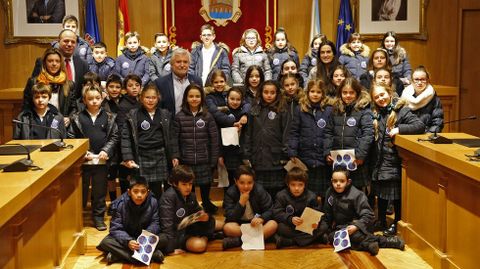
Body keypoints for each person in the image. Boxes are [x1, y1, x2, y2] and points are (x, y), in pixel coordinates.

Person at [370, 84, 424, 236]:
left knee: (395, 196)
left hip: (394, 161)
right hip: (380, 162)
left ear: (389, 92)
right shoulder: (376, 113)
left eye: (382, 94)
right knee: (380, 194)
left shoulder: (401, 110)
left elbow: (419, 125)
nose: (381, 98)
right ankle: (381, 220)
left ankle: (397, 223)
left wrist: (399, 129)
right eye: (377, 97)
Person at [319, 166, 405, 256]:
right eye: (335, 181)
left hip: (359, 228)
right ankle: (368, 245)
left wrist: (356, 226)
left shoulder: (357, 195)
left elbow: (368, 215)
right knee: (332, 237)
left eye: (342, 181)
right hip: (342, 228)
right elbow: (327, 214)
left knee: (354, 236)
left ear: (348, 182)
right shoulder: (330, 192)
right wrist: (322, 228)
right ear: (331, 181)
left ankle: (386, 241)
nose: (338, 184)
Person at [68, 84, 119, 231]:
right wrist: (83, 152)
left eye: (97, 98)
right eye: (90, 99)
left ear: (102, 98)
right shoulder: (77, 118)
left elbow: (114, 137)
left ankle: (98, 218)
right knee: (81, 191)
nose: (94, 101)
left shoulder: (109, 117)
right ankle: (78, 217)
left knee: (99, 191)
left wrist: (106, 150)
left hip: (102, 161)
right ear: (84, 100)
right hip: (84, 161)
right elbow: (71, 137)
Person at [121, 83, 175, 199]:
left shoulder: (165, 114)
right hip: (141, 155)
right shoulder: (133, 115)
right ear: (141, 98)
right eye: (147, 97)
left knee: (157, 188)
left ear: (158, 98)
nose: (150, 100)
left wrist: (175, 155)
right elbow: (125, 138)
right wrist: (128, 157)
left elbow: (172, 137)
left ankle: (157, 212)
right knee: (142, 187)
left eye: (153, 97)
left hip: (160, 155)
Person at [97, 176, 167, 264]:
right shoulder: (120, 204)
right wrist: (128, 241)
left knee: (164, 238)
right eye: (135, 191)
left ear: (148, 192)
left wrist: (145, 237)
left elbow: (155, 223)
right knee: (106, 242)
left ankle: (117, 255)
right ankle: (151, 255)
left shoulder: (153, 202)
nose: (139, 195)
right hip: (127, 237)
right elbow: (115, 228)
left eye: (143, 192)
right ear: (129, 192)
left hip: (145, 238)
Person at [172, 84, 220, 214]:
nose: (194, 99)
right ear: (186, 98)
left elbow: (214, 140)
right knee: (189, 188)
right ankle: (191, 208)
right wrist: (176, 155)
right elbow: (174, 139)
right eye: (191, 96)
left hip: (204, 159)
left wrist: (213, 159)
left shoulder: (208, 116)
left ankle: (206, 203)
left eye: (197, 96)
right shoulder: (179, 117)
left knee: (205, 186)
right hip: (186, 161)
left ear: (202, 98)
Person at [158, 165, 222, 254]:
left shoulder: (191, 195)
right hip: (178, 235)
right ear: (175, 184)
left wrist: (206, 217)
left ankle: (210, 234)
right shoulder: (168, 198)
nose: (188, 187)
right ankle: (208, 236)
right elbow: (167, 226)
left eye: (190, 184)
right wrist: (170, 250)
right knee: (199, 246)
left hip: (191, 228)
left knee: (223, 225)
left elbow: (199, 213)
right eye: (184, 184)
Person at [324, 77, 374, 190]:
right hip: (338, 161)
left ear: (357, 93)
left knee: (356, 193)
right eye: (344, 92)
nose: (348, 95)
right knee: (338, 191)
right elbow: (328, 132)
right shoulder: (335, 110)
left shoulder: (363, 111)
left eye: (351, 93)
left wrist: (360, 155)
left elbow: (368, 134)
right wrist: (327, 152)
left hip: (356, 161)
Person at [243, 80, 289, 199]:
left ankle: (276, 213)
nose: (269, 95)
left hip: (276, 158)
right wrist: (247, 154)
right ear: (261, 93)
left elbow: (286, 133)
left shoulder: (282, 109)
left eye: (272, 92)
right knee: (259, 191)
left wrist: (285, 154)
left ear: (277, 94)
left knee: (276, 190)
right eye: (266, 92)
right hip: (258, 156)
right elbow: (248, 133)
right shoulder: (254, 109)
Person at [288, 79, 332, 199]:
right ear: (308, 92)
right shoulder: (300, 109)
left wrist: (328, 151)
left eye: (319, 92)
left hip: (323, 158)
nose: (315, 94)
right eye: (312, 91)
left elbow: (331, 133)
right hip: (305, 158)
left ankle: (324, 214)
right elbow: (294, 132)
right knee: (308, 192)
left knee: (324, 192)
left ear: (323, 94)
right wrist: (292, 150)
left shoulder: (329, 110)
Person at [222, 165, 278, 249]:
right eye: (242, 183)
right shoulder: (230, 193)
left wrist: (261, 218)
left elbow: (270, 210)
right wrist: (241, 203)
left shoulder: (259, 190)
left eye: (249, 183)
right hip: (240, 225)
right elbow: (230, 217)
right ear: (236, 181)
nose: (246, 186)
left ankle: (238, 241)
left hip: (256, 224)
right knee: (227, 228)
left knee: (273, 224)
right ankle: (260, 239)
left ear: (253, 182)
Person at [272, 167, 326, 248]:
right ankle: (315, 239)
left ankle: (291, 241)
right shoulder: (281, 195)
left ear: (305, 184)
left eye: (300, 185)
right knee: (280, 227)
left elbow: (318, 213)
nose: (296, 188)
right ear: (288, 184)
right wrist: (290, 219)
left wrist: (315, 222)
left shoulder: (311, 196)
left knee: (324, 226)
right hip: (291, 226)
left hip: (307, 227)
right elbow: (276, 213)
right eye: (293, 185)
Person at [23, 47, 76, 127]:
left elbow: (74, 108)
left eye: (57, 61)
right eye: (50, 61)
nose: (54, 64)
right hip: (38, 125)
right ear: (44, 63)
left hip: (60, 126)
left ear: (61, 63)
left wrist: (69, 118)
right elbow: (26, 106)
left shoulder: (69, 85)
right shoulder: (33, 82)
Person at [31, 29, 89, 101]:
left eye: (73, 42)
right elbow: (33, 88)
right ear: (58, 42)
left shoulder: (83, 64)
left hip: (74, 109)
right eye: (66, 41)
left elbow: (85, 90)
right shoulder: (42, 62)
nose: (69, 44)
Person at [154, 48, 203, 116]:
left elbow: (202, 105)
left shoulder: (197, 81)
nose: (182, 65)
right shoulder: (160, 83)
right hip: (170, 124)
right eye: (178, 62)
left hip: (192, 123)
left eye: (185, 62)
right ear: (171, 64)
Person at [116, 74, 142, 193]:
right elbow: (122, 129)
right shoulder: (123, 104)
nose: (134, 88)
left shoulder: (141, 102)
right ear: (125, 89)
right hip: (127, 146)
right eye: (130, 86)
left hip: (138, 144)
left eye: (137, 85)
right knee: (126, 178)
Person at [401, 66, 444, 133]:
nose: (419, 82)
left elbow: (437, 122)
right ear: (412, 81)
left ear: (427, 80)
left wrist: (429, 136)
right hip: (407, 133)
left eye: (423, 79)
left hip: (425, 135)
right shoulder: (405, 96)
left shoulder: (434, 99)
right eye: (416, 79)